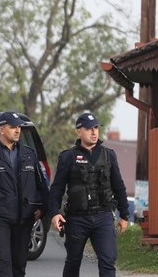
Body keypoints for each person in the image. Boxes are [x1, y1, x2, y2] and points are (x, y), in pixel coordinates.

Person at [48, 112, 130, 277]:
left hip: (103, 217)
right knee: (73, 261)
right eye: (88, 129)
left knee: (108, 261)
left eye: (96, 128)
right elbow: (57, 188)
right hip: (77, 218)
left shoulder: (109, 155)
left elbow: (119, 186)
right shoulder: (68, 157)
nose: (93, 132)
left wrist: (125, 215)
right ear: (79, 131)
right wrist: (54, 213)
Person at [0, 111, 49, 277]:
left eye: (19, 127)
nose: (17, 130)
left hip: (24, 219)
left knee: (19, 265)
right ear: (2, 130)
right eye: (13, 127)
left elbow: (41, 185)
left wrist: (42, 209)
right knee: (3, 263)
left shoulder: (29, 154)